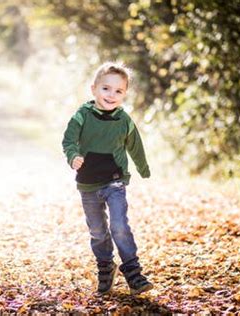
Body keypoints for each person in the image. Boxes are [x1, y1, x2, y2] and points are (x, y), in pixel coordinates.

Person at [62, 62, 153, 295]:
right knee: (98, 231)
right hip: (88, 183)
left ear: (124, 94)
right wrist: (73, 156)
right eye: (106, 89)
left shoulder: (124, 121)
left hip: (115, 181)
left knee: (119, 225)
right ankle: (105, 266)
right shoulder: (82, 116)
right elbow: (69, 140)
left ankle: (133, 272)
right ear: (94, 89)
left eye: (118, 91)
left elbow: (135, 146)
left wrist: (143, 167)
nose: (111, 95)